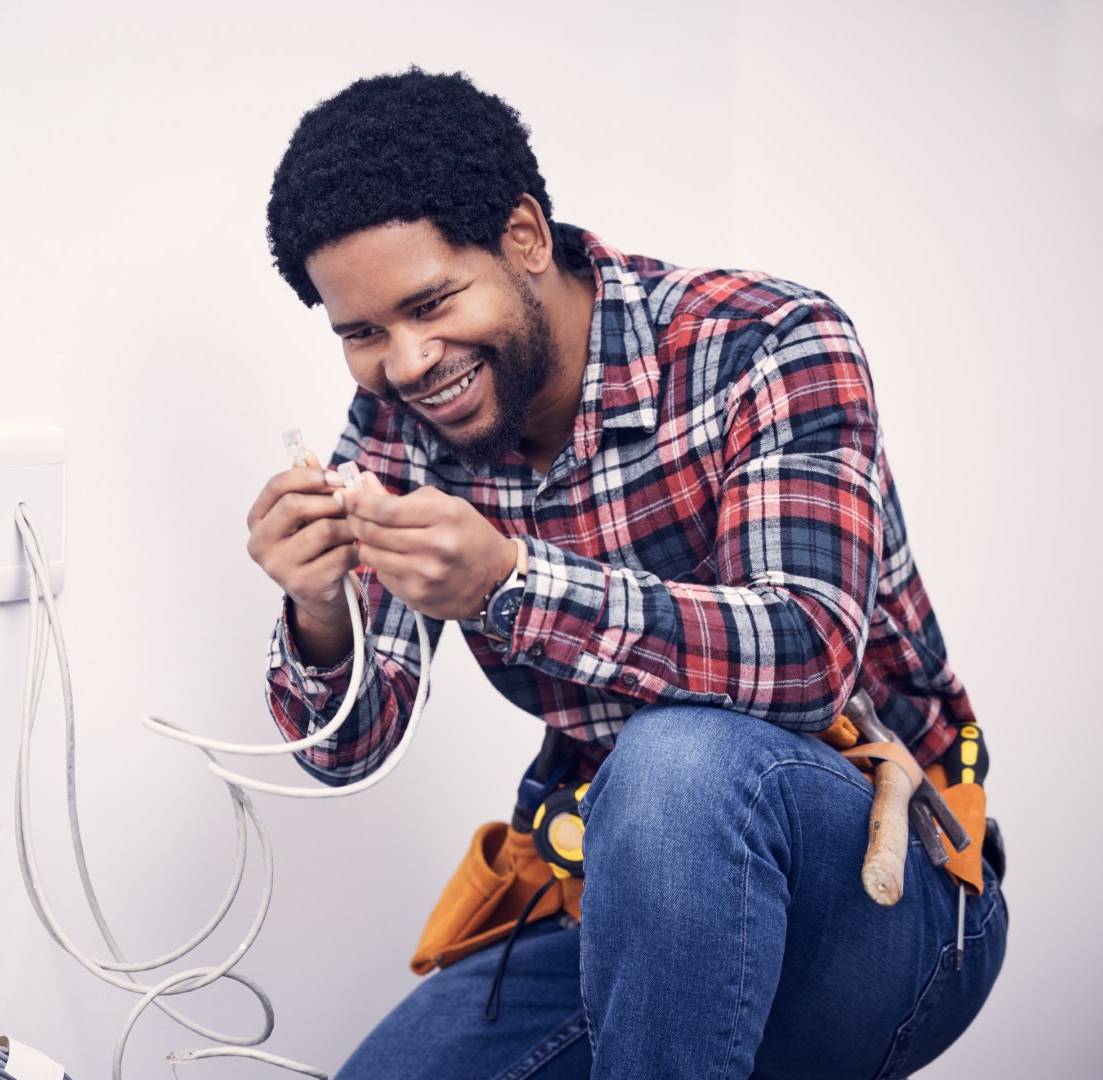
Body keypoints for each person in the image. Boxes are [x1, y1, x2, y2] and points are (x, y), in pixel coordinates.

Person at [245, 69, 1007, 1080]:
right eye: (362, 332)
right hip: (624, 902)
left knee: (678, 759)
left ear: (522, 236)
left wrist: (509, 583)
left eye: (429, 302)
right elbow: (345, 754)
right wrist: (316, 610)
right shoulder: (398, 420)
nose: (409, 359)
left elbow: (806, 657)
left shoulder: (766, 340)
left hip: (887, 892)